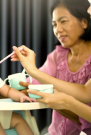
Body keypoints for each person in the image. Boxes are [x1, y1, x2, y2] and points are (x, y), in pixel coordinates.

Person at [11, 0, 91, 134]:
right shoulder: (57, 56)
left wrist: (33, 71)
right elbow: (31, 83)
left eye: (63, 21)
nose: (57, 30)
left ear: (84, 22)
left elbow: (86, 93)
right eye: (54, 24)